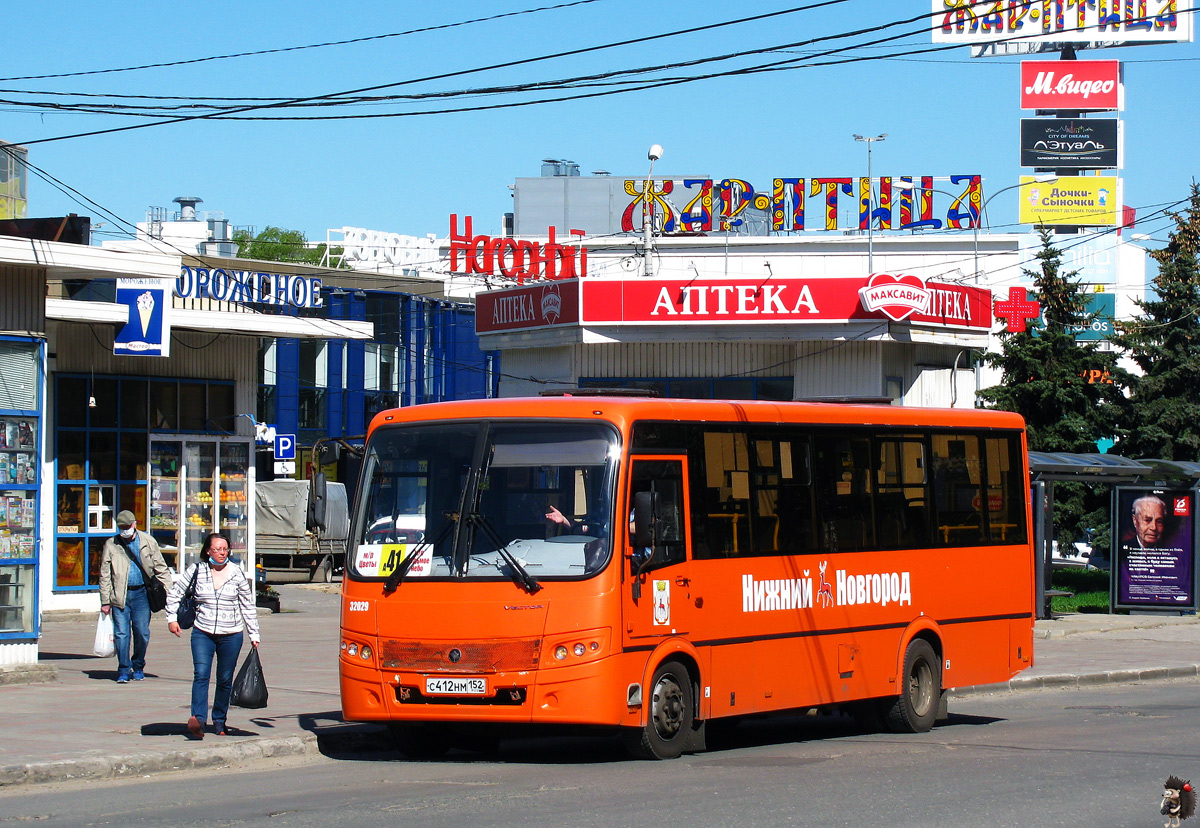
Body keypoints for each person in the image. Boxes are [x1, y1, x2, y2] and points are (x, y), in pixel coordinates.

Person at [165, 533, 261, 739]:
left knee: (225, 678)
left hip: (231, 634)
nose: (221, 553)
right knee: (201, 674)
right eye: (217, 549)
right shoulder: (197, 570)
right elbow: (175, 593)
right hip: (203, 632)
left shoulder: (236, 572)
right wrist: (171, 618)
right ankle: (198, 720)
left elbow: (247, 604)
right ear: (208, 550)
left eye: (225, 549)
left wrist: (254, 632)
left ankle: (219, 721)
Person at [98, 509, 173, 683]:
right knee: (122, 634)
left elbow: (161, 567)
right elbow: (105, 574)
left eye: (127, 526)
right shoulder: (112, 544)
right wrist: (105, 600)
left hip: (142, 594)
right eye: (121, 527)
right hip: (120, 596)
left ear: (135, 524)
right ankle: (124, 669)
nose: (125, 530)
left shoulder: (147, 541)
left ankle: (138, 665)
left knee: (142, 632)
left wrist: (168, 591)